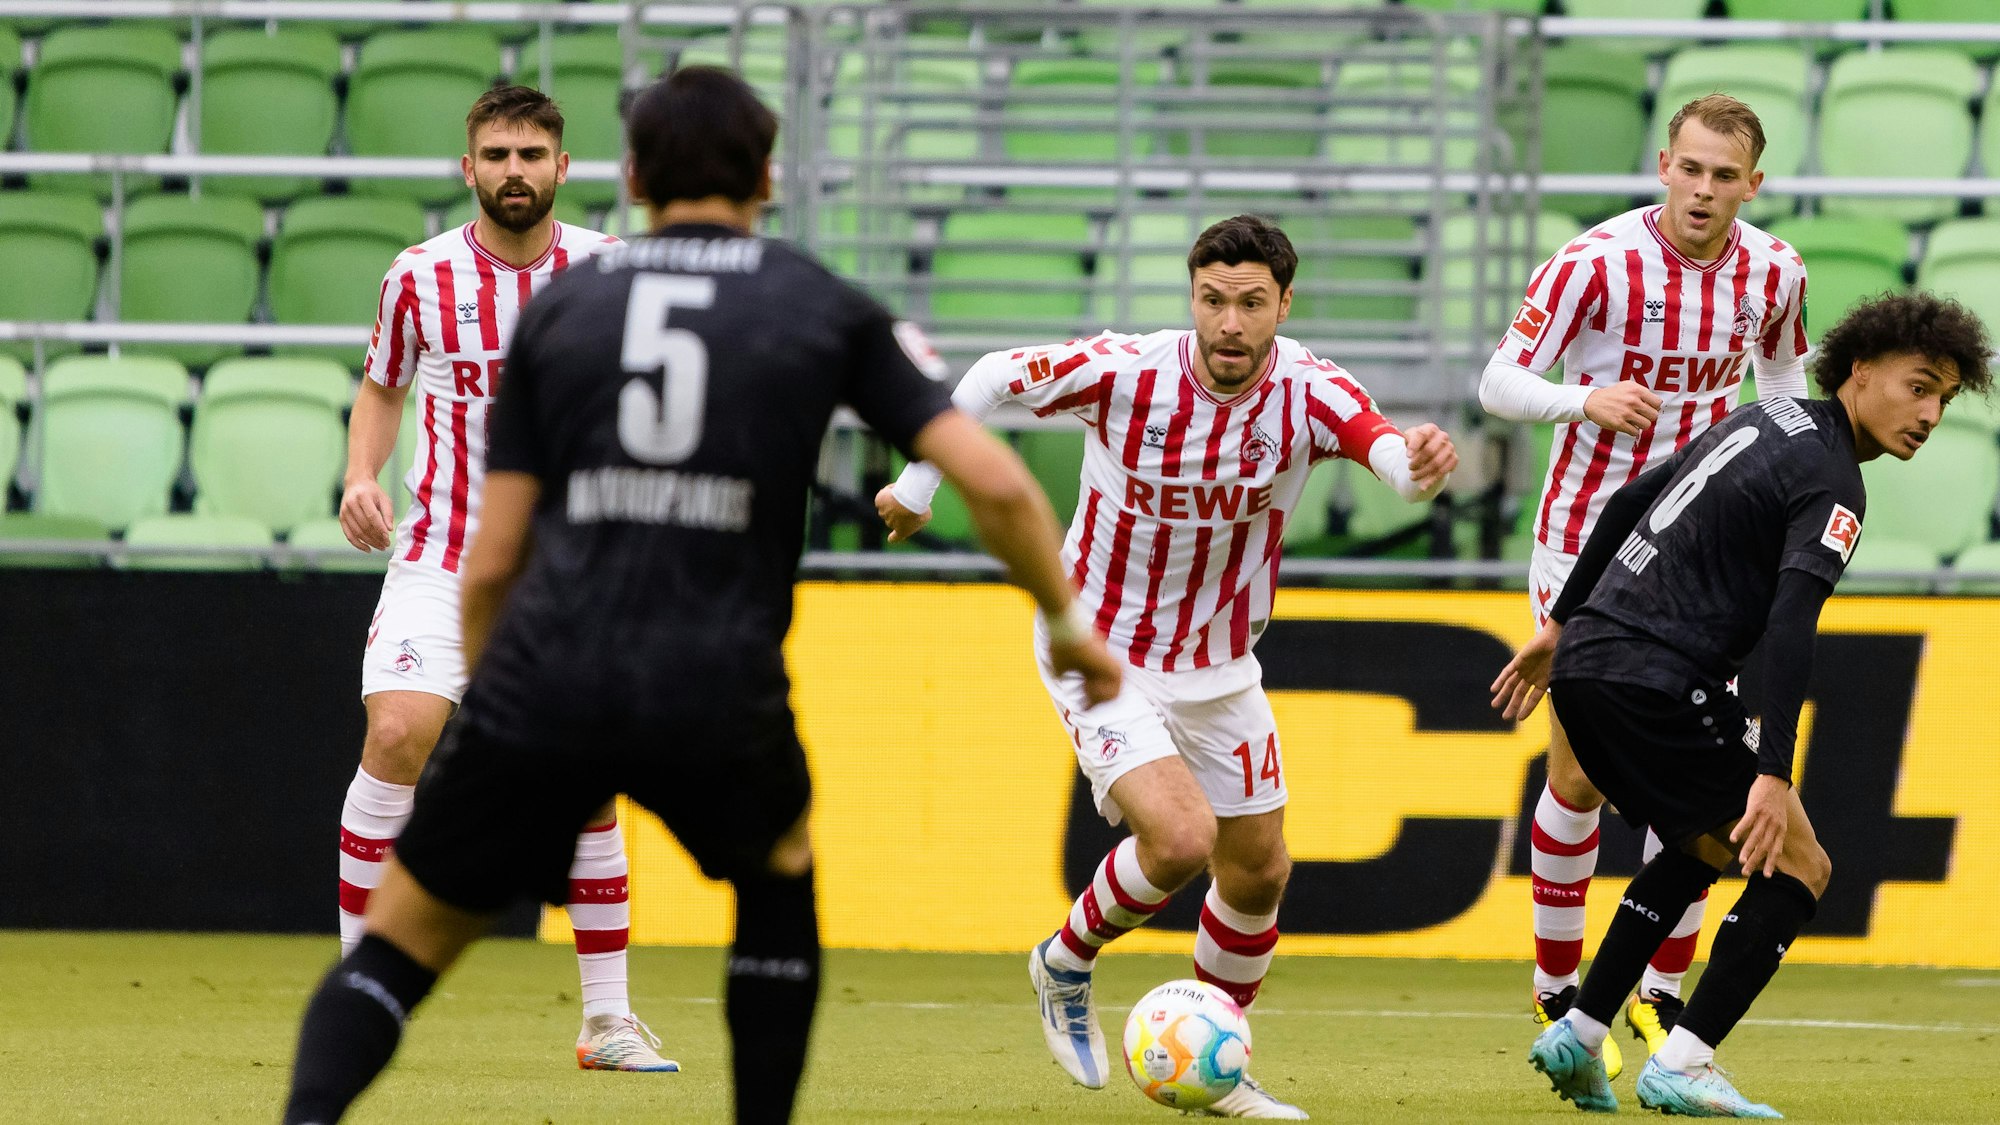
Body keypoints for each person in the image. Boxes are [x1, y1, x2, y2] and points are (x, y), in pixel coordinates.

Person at [282, 66, 1120, 1125]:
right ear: (766, 175)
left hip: (555, 663)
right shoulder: (817, 302)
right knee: (778, 883)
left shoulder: (567, 306)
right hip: (717, 677)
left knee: (401, 946)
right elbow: (996, 484)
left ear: (628, 177)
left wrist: (500, 700)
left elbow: (493, 557)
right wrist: (1064, 621)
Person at [878, 215, 1458, 1120]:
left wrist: (1419, 466)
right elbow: (991, 375)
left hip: (1222, 663)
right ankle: (1064, 961)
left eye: (1251, 304)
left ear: (1284, 305)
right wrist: (918, 488)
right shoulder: (1128, 372)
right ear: (1193, 296)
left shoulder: (1309, 392)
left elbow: (1392, 460)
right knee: (1183, 840)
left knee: (1259, 870)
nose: (1230, 322)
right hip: (1097, 647)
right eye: (1213, 300)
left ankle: (1220, 1067)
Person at [1491, 291, 1991, 1117]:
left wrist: (1560, 625)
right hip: (1658, 676)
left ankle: (1578, 1033)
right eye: (1919, 385)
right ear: (1860, 372)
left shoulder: (1768, 418)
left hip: (1589, 668)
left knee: (1697, 848)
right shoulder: (1835, 485)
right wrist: (1773, 770)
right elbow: (1792, 626)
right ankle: (1684, 1059)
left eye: (1944, 397)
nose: (1932, 412)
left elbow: (1628, 502)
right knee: (1802, 866)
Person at [332, 85, 674, 1071]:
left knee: (585, 789)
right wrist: (360, 475)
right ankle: (361, 986)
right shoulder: (419, 277)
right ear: (467, 167)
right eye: (496, 154)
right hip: (441, 557)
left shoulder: (612, 273)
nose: (513, 171)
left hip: (568, 573)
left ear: (563, 167)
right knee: (398, 732)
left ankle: (607, 1021)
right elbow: (382, 385)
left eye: (532, 154)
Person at [1478, 93, 1812, 1066]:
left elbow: (1783, 393)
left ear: (1751, 184)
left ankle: (1658, 994)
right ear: (1663, 165)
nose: (1704, 190)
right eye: (1690, 169)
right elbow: (1497, 381)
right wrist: (1582, 398)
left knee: (1699, 775)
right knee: (1578, 775)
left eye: (1724, 176)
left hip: (1704, 555)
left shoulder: (1774, 272)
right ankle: (1554, 989)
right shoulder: (1593, 263)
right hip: (1585, 543)